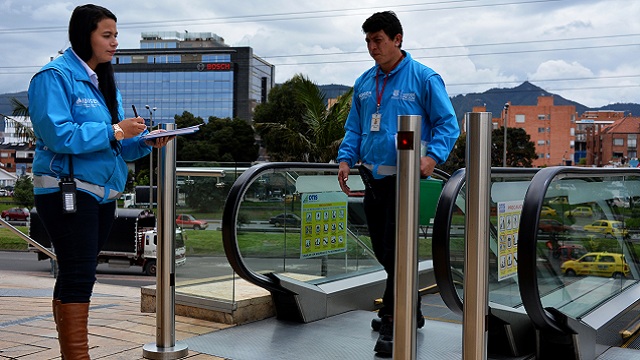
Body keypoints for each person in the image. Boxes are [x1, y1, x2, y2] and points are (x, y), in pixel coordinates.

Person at [27, 5, 172, 359]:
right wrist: (115, 130)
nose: (115, 43)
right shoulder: (53, 77)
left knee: (78, 273)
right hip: (67, 190)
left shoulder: (104, 81)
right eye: (107, 35)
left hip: (103, 194)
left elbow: (117, 146)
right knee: (80, 274)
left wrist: (143, 141)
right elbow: (58, 135)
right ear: (83, 35)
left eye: (116, 35)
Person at [336, 11, 460, 355]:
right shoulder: (364, 82)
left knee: (396, 250)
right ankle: (411, 307)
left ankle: (395, 318)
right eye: (368, 41)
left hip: (405, 179)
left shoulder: (423, 78)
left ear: (397, 40)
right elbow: (355, 128)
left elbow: (447, 124)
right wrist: (346, 158)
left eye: (378, 40)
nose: (372, 48)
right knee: (384, 251)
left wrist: (432, 158)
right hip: (372, 177)